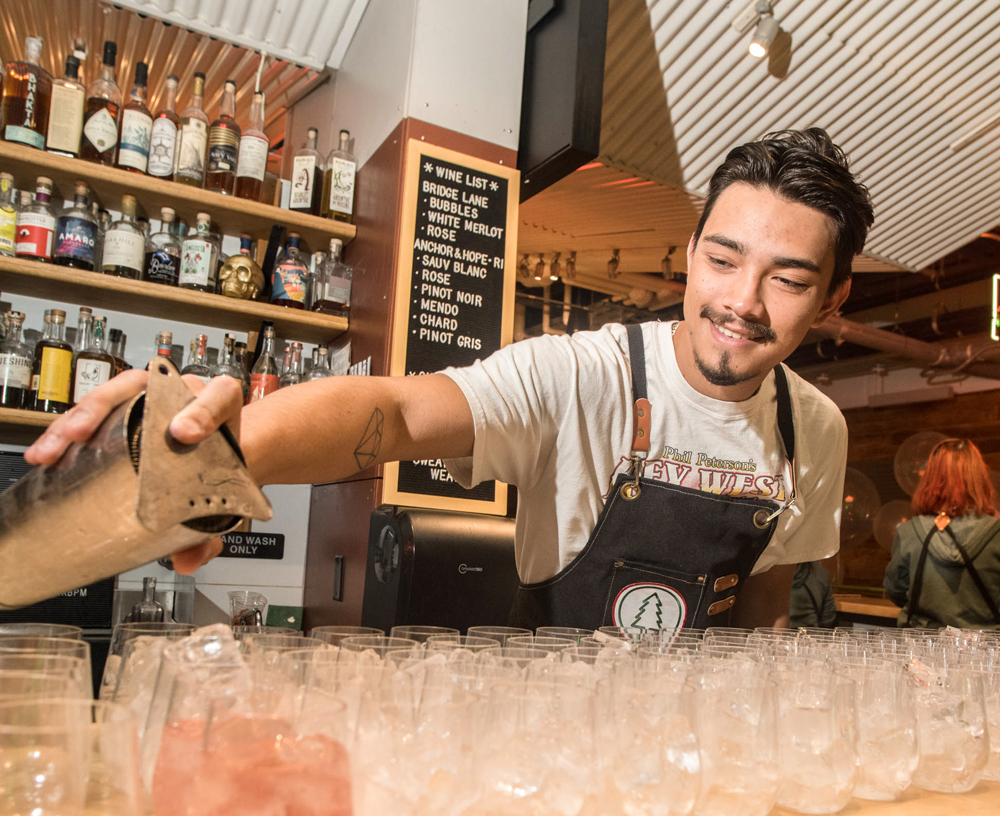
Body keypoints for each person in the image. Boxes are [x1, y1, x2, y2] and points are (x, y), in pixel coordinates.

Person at [25, 128, 874, 630]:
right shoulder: (587, 374)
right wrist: (212, 450)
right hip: (548, 742)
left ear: (833, 297)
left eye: (789, 280)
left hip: (694, 757)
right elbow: (392, 411)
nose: (741, 301)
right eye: (722, 260)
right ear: (690, 255)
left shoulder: (816, 430)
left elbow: (766, 593)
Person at [883, 438, 1000, 629]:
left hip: (921, 649)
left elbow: (896, 590)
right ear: (979, 479)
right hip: (984, 652)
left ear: (929, 479)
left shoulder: (909, 532)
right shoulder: (996, 533)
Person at [789, 561, 837, 628]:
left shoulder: (772, 567)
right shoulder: (819, 572)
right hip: (812, 634)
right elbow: (828, 621)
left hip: (776, 635)